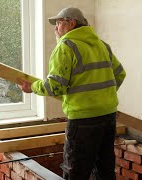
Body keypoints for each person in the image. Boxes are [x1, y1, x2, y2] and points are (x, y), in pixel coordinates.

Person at [17, 7, 126, 180]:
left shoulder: (66, 46)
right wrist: (103, 98)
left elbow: (56, 86)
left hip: (83, 121)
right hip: (108, 117)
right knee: (104, 170)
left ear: (71, 23)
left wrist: (33, 87)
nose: (56, 28)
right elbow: (120, 74)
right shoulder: (102, 45)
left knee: (76, 172)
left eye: (59, 23)